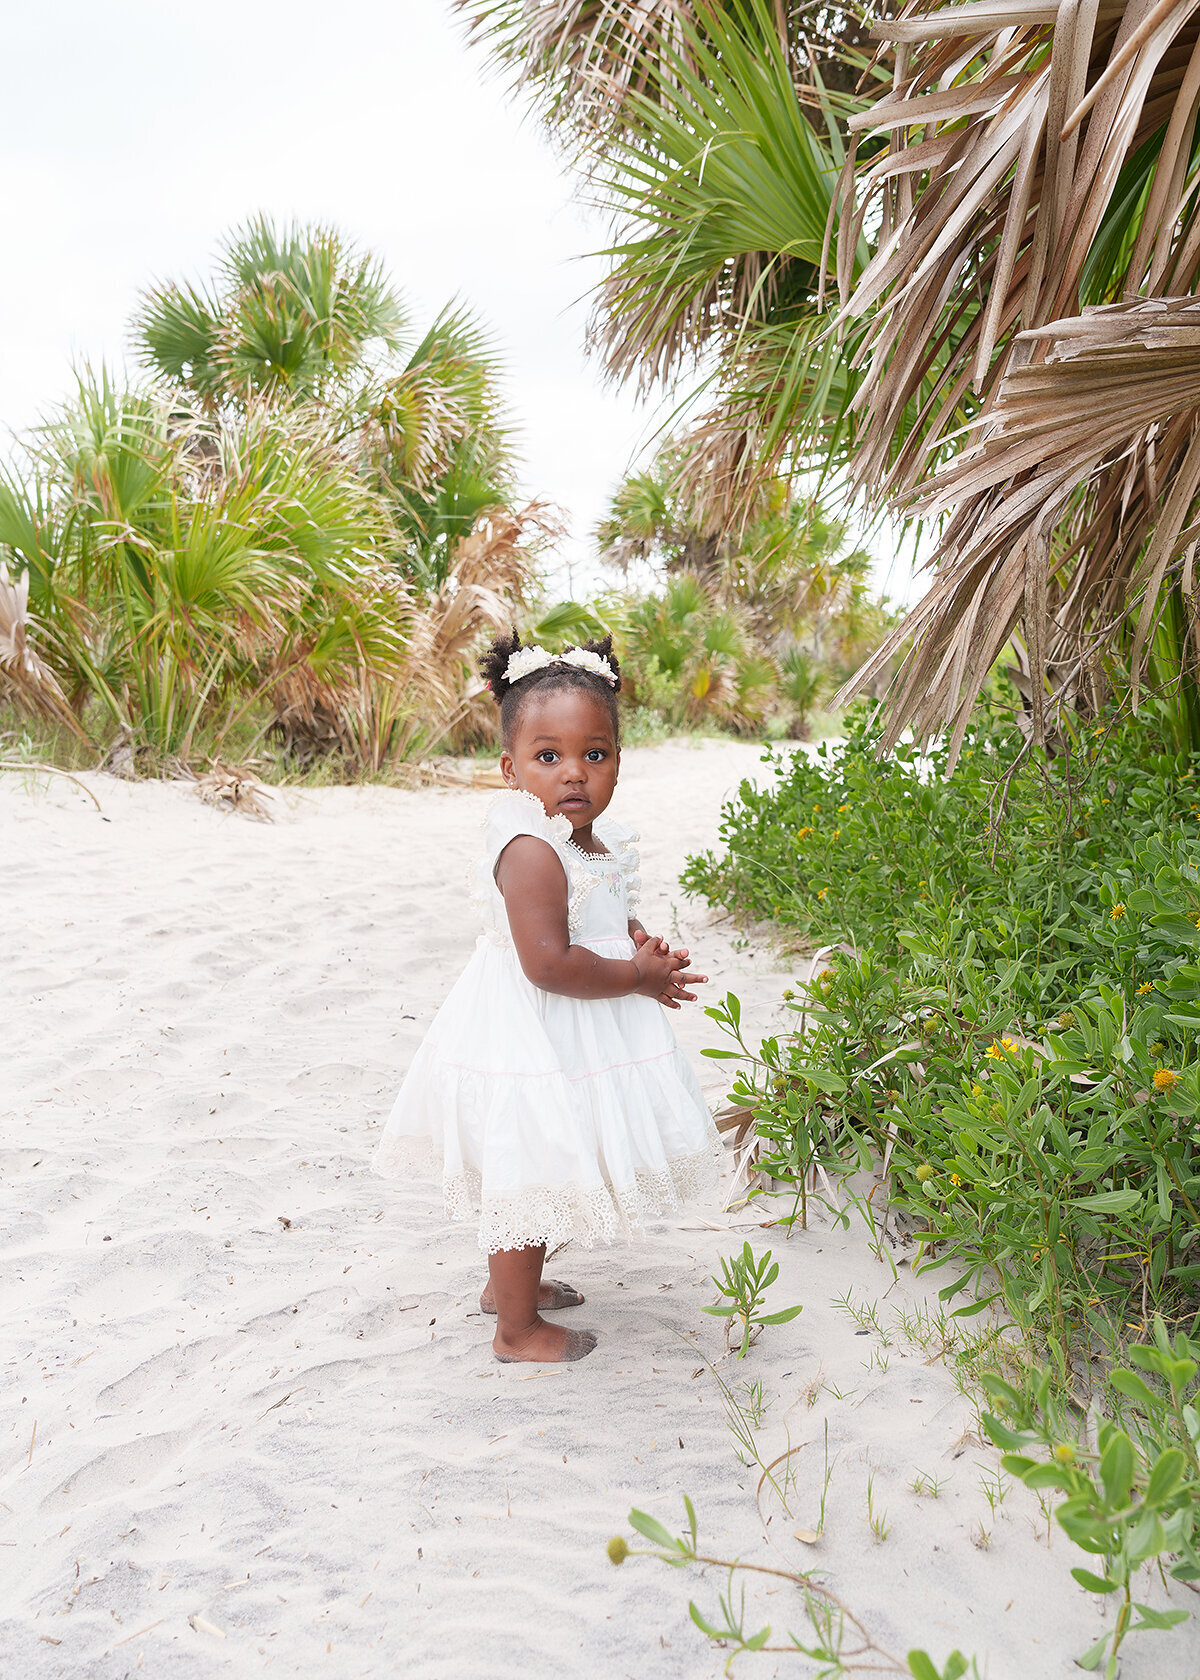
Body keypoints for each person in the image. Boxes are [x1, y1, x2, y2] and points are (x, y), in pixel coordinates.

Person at [373, 631, 722, 1363]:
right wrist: (635, 980)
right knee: (533, 1163)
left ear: (619, 764)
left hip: (580, 1033)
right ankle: (515, 1330)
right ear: (510, 768)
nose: (573, 774)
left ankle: (515, 1289)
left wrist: (639, 946)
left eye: (594, 755)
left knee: (567, 1156)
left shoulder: (596, 841)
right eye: (548, 756)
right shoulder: (530, 848)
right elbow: (548, 963)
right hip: (535, 1034)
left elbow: (600, 919)